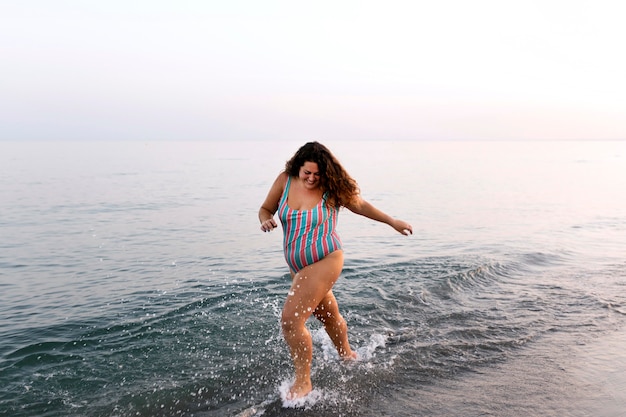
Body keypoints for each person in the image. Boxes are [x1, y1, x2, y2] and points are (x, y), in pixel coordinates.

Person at [258, 141, 412, 400]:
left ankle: (303, 382)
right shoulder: (285, 180)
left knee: (291, 319)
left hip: (327, 257)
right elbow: (265, 209)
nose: (311, 179)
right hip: (298, 267)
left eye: (317, 174)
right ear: (298, 167)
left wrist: (392, 221)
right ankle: (347, 355)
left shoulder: (331, 188)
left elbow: (361, 205)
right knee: (326, 313)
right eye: (307, 173)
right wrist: (266, 221)